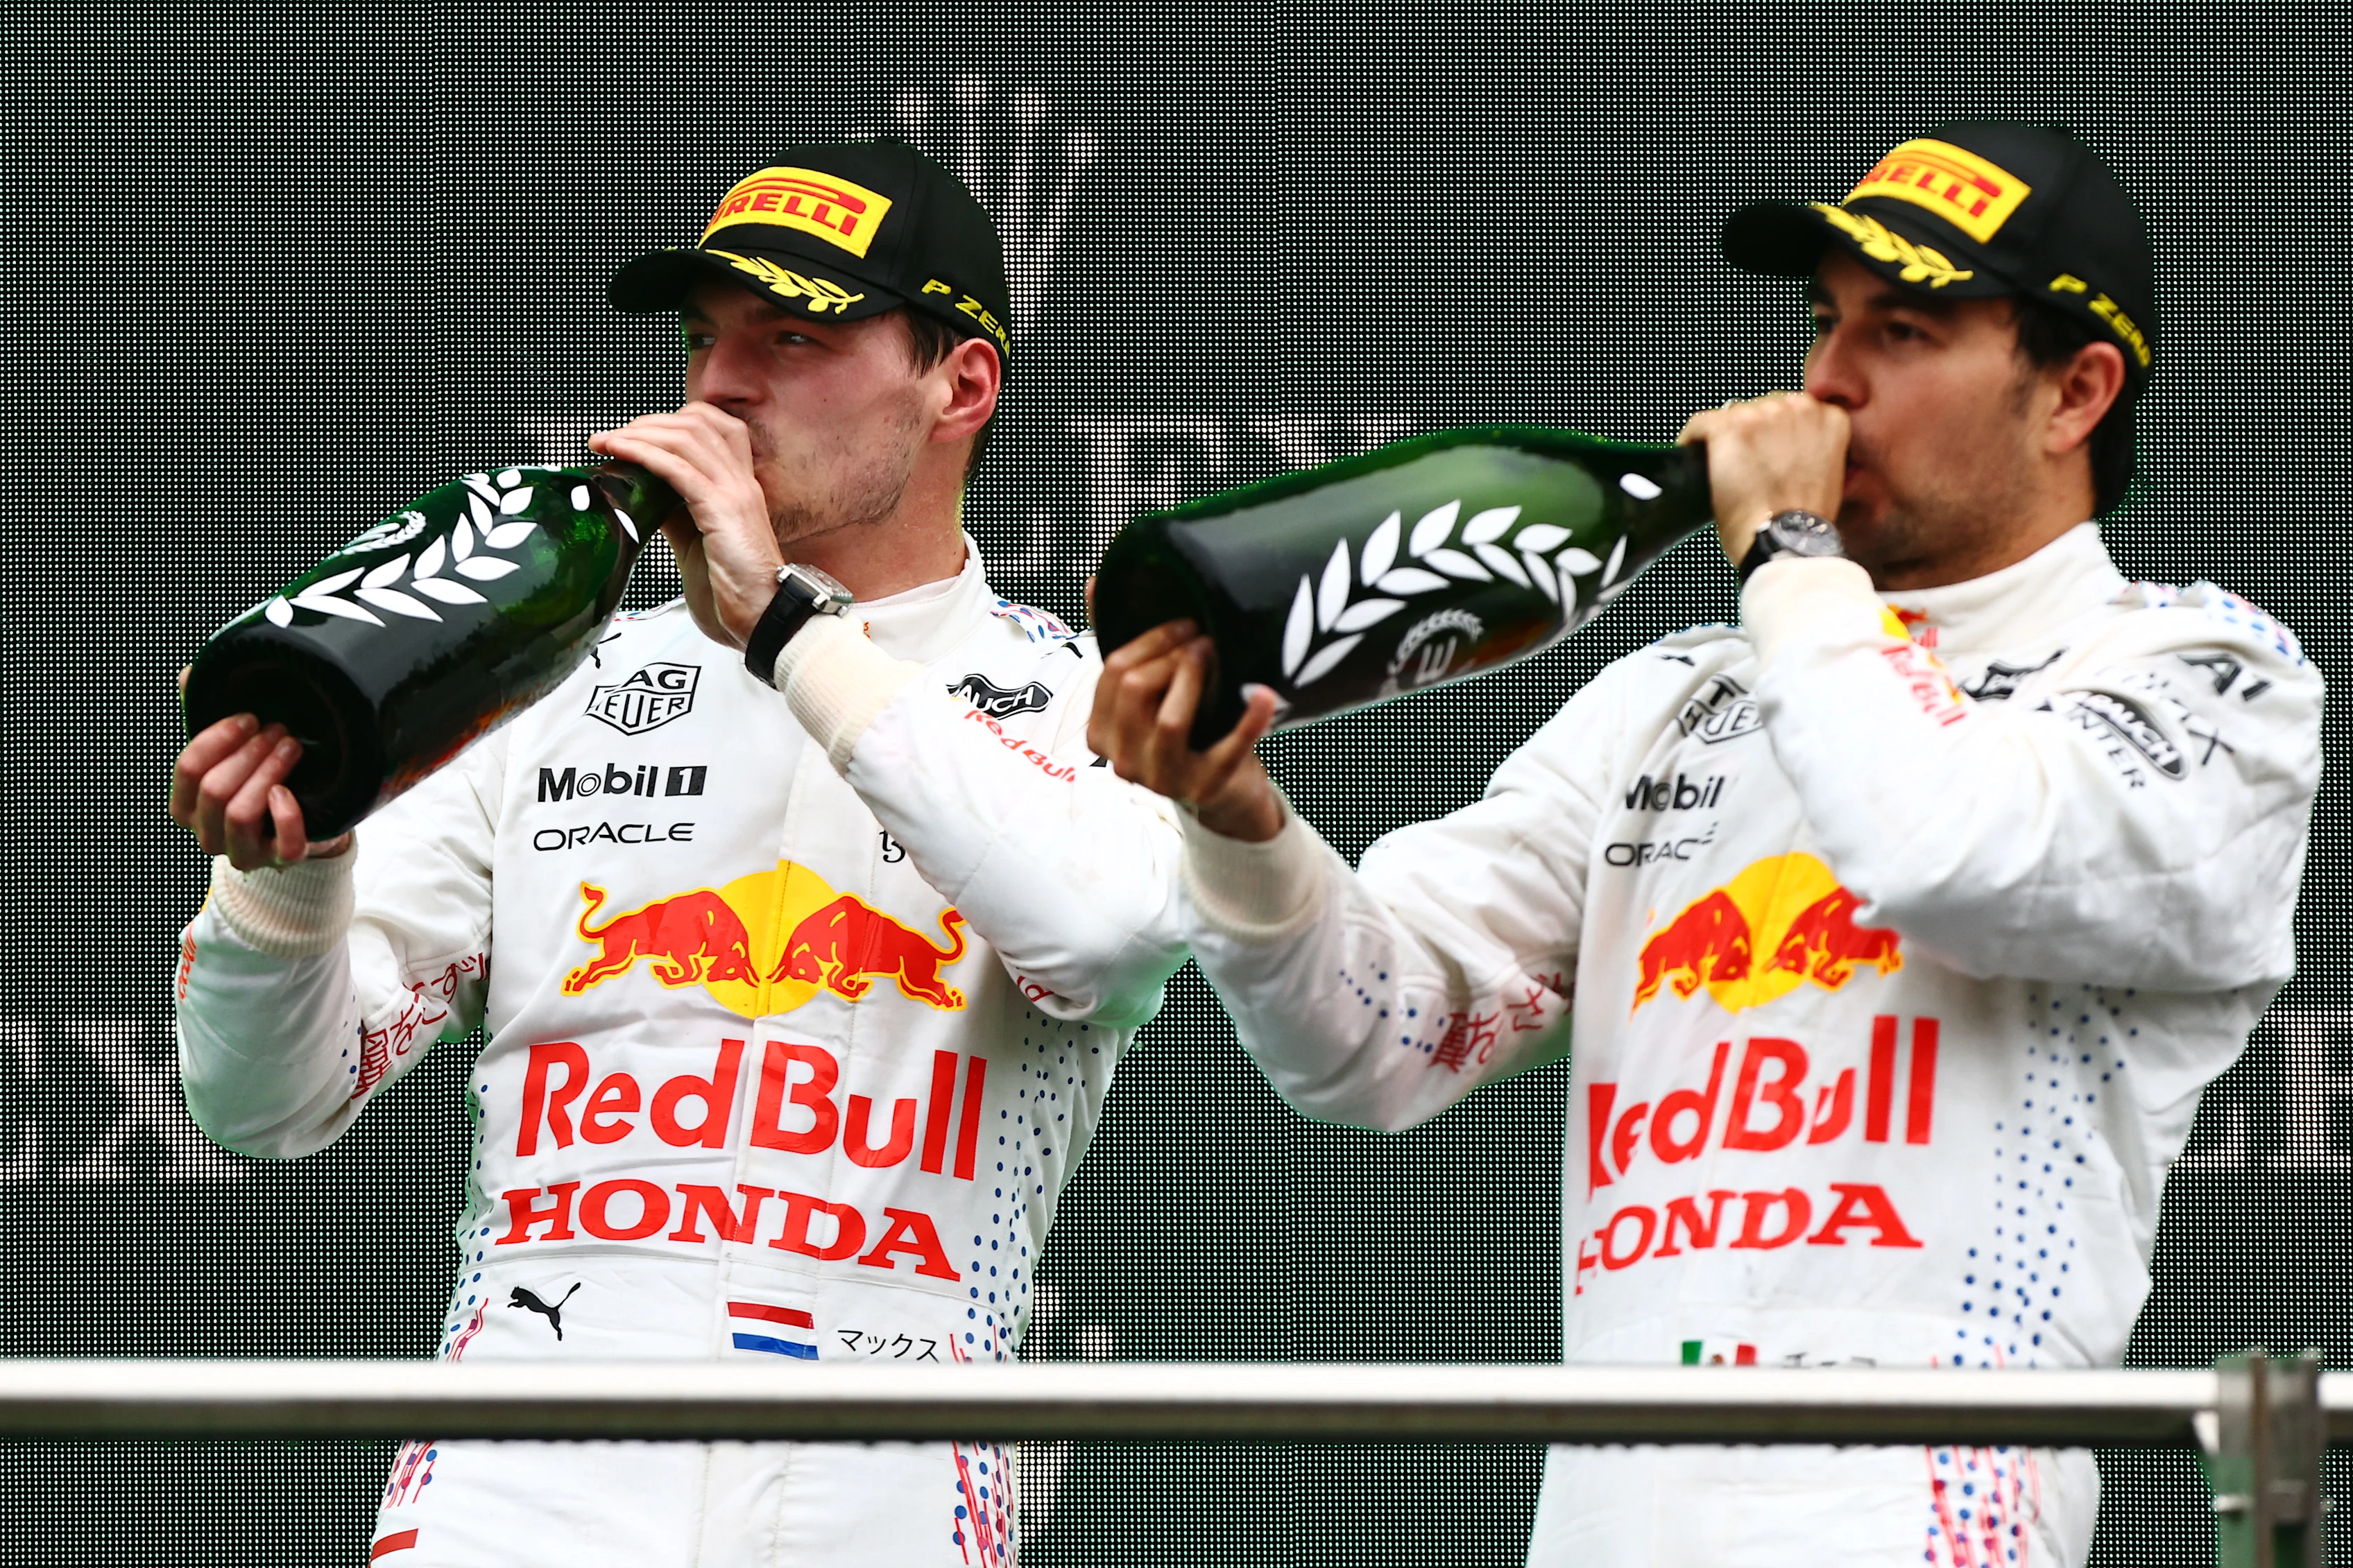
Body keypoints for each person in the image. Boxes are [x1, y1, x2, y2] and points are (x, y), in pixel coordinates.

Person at [1090, 123, 2321, 1566]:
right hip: (1605, 1519)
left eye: (1904, 330)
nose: (1826, 382)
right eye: (1823, 322)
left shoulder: (2197, 674)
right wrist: (1239, 822)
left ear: (2075, 392)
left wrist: (1792, 562)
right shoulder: (1679, 693)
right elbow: (1374, 1042)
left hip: (1927, 1509)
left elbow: (1937, 847)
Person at [171, 142, 1186, 1567]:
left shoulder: (1093, 699)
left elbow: (1105, 935)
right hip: (517, 1477)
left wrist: (787, 632)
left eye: (793, 339)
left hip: (885, 1489)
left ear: (959, 384)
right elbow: (258, 1098)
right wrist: (286, 865)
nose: (720, 386)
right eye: (706, 340)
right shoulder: (542, 688)